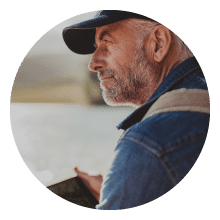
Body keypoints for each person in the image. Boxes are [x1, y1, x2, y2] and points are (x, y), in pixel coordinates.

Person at [63, 10, 210, 210]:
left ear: (158, 43)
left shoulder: (147, 144)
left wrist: (137, 167)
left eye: (106, 42)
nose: (93, 63)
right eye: (96, 47)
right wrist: (125, 188)